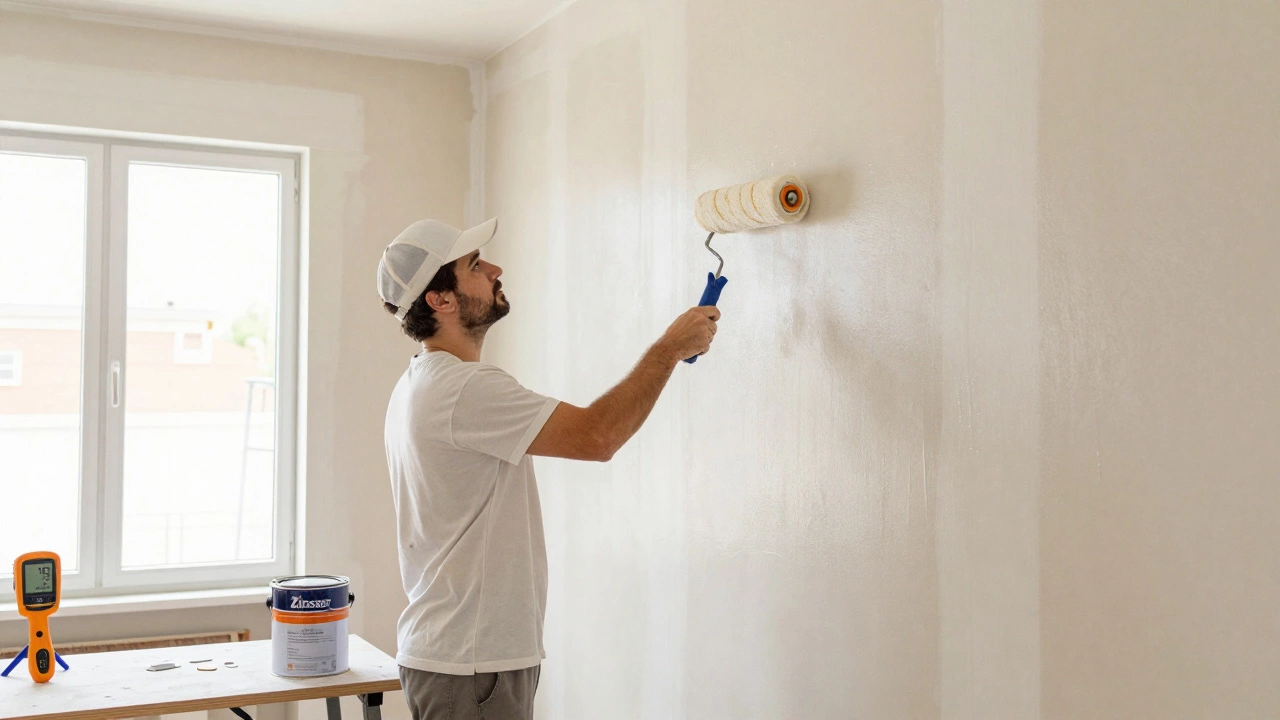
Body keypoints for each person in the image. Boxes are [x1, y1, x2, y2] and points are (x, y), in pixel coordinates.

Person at [377, 217, 719, 720]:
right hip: (471, 664)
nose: (494, 268)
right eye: (473, 265)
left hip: (462, 657)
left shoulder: (419, 384)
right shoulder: (461, 390)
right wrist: (669, 349)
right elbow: (598, 436)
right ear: (440, 300)